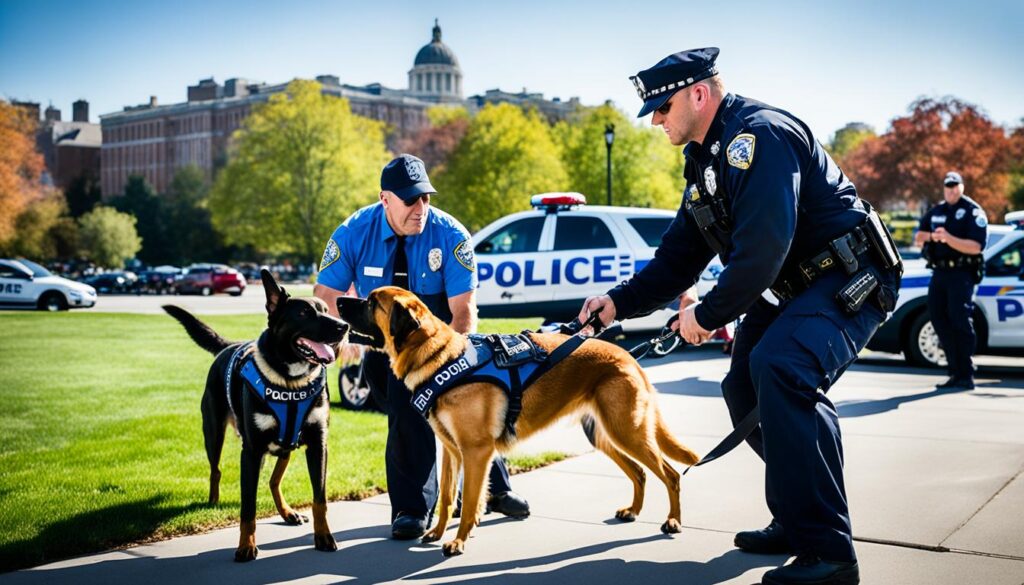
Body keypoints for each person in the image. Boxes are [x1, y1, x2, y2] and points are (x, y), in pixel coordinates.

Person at [578, 48, 901, 585]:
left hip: (849, 275)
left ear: (698, 94)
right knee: (743, 387)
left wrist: (707, 314)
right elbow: (679, 255)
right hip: (795, 288)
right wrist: (618, 303)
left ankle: (831, 555)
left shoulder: (760, 137)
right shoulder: (705, 159)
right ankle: (799, 519)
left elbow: (764, 247)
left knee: (784, 368)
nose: (656, 120)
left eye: (662, 108)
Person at [314, 154, 529, 540]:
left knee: (460, 410)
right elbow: (325, 295)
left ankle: (483, 493)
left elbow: (464, 311)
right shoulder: (353, 232)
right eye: (410, 199)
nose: (420, 208)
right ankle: (415, 508)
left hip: (443, 343)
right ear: (385, 199)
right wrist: (340, 334)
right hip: (383, 351)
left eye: (425, 198)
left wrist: (449, 369)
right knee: (408, 410)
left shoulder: (450, 235)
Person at [914, 172, 987, 389]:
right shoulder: (937, 210)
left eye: (955, 186)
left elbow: (976, 247)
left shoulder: (972, 211)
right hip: (939, 273)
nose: (952, 190)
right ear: (944, 188)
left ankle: (966, 372)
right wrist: (932, 237)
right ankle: (955, 370)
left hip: (962, 274)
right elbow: (919, 237)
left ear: (962, 186)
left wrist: (947, 238)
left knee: (959, 319)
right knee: (937, 317)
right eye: (948, 186)